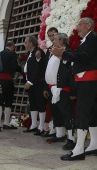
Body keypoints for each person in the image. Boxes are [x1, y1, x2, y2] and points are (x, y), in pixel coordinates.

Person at [50, 17, 97, 161]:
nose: (77, 27)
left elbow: (83, 57)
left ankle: (79, 149)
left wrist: (63, 54)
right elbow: (80, 56)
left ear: (88, 26)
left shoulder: (93, 39)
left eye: (80, 25)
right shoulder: (88, 40)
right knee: (92, 113)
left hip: (88, 82)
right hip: (87, 82)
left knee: (82, 113)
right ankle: (94, 144)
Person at [44, 33, 76, 150]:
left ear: (61, 40)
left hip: (63, 88)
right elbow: (49, 70)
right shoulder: (53, 52)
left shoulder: (68, 53)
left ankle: (71, 139)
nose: (53, 40)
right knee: (56, 112)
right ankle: (59, 135)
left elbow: (72, 73)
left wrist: (73, 91)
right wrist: (47, 88)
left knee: (67, 114)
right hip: (52, 88)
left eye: (55, 39)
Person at [23, 36, 47, 135]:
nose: (24, 44)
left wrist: (30, 82)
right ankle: (33, 124)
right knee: (33, 104)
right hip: (31, 83)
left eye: (26, 42)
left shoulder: (39, 52)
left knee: (40, 104)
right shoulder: (30, 53)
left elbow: (38, 69)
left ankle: (41, 126)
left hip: (38, 83)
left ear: (31, 43)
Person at [0, 41, 22, 131]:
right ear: (12, 47)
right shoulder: (12, 54)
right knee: (8, 101)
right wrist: (20, 68)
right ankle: (6, 123)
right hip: (8, 80)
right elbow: (15, 67)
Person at [42, 27, 59, 138]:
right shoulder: (48, 50)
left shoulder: (62, 49)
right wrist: (45, 88)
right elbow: (46, 69)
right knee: (52, 108)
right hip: (49, 85)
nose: (52, 38)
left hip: (58, 85)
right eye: (50, 36)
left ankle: (59, 132)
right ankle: (52, 129)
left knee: (59, 109)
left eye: (53, 35)